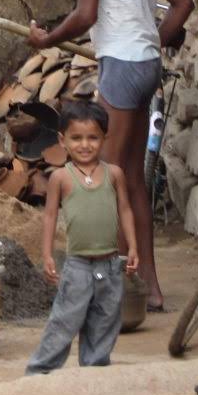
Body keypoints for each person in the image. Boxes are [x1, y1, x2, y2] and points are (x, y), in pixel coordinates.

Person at [29, 0, 193, 311]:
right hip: (145, 66)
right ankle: (150, 290)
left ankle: (115, 289)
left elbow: (84, 15)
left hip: (122, 67)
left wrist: (46, 39)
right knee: (132, 180)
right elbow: (183, 3)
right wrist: (152, 41)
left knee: (105, 181)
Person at [26, 101, 139, 374]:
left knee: (105, 319)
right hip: (77, 266)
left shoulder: (114, 174)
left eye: (93, 138)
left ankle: (95, 369)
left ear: (104, 138)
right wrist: (48, 254)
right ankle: (41, 370)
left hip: (110, 265)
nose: (85, 145)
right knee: (66, 318)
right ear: (62, 140)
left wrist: (133, 247)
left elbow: (125, 209)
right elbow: (50, 216)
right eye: (76, 138)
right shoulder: (61, 178)